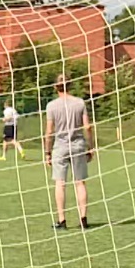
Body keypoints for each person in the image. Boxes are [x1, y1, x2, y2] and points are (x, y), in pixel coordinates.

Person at [44, 73, 96, 229]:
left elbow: (49, 132)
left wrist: (47, 152)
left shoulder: (51, 106)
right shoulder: (79, 103)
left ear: (55, 87)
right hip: (78, 145)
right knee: (80, 182)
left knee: (60, 183)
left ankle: (62, 220)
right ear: (70, 85)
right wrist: (91, 146)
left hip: (60, 147)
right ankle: (83, 219)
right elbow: (87, 127)